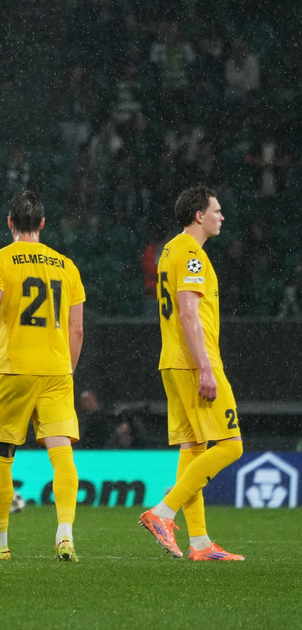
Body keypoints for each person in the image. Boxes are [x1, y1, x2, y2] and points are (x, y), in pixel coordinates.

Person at [0, 190, 85, 563]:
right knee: (61, 453)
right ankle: (65, 534)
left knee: (1, 456)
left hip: (13, 369)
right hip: (56, 370)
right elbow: (76, 330)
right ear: (42, 224)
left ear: (10, 223)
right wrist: (66, 372)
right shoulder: (66, 266)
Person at [139, 185, 244, 561]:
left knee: (193, 447)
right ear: (199, 215)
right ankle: (163, 512)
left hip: (172, 360)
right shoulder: (192, 255)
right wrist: (205, 368)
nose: (222, 216)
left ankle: (199, 543)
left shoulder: (170, 249)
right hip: (193, 361)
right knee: (231, 445)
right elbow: (187, 312)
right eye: (216, 210)